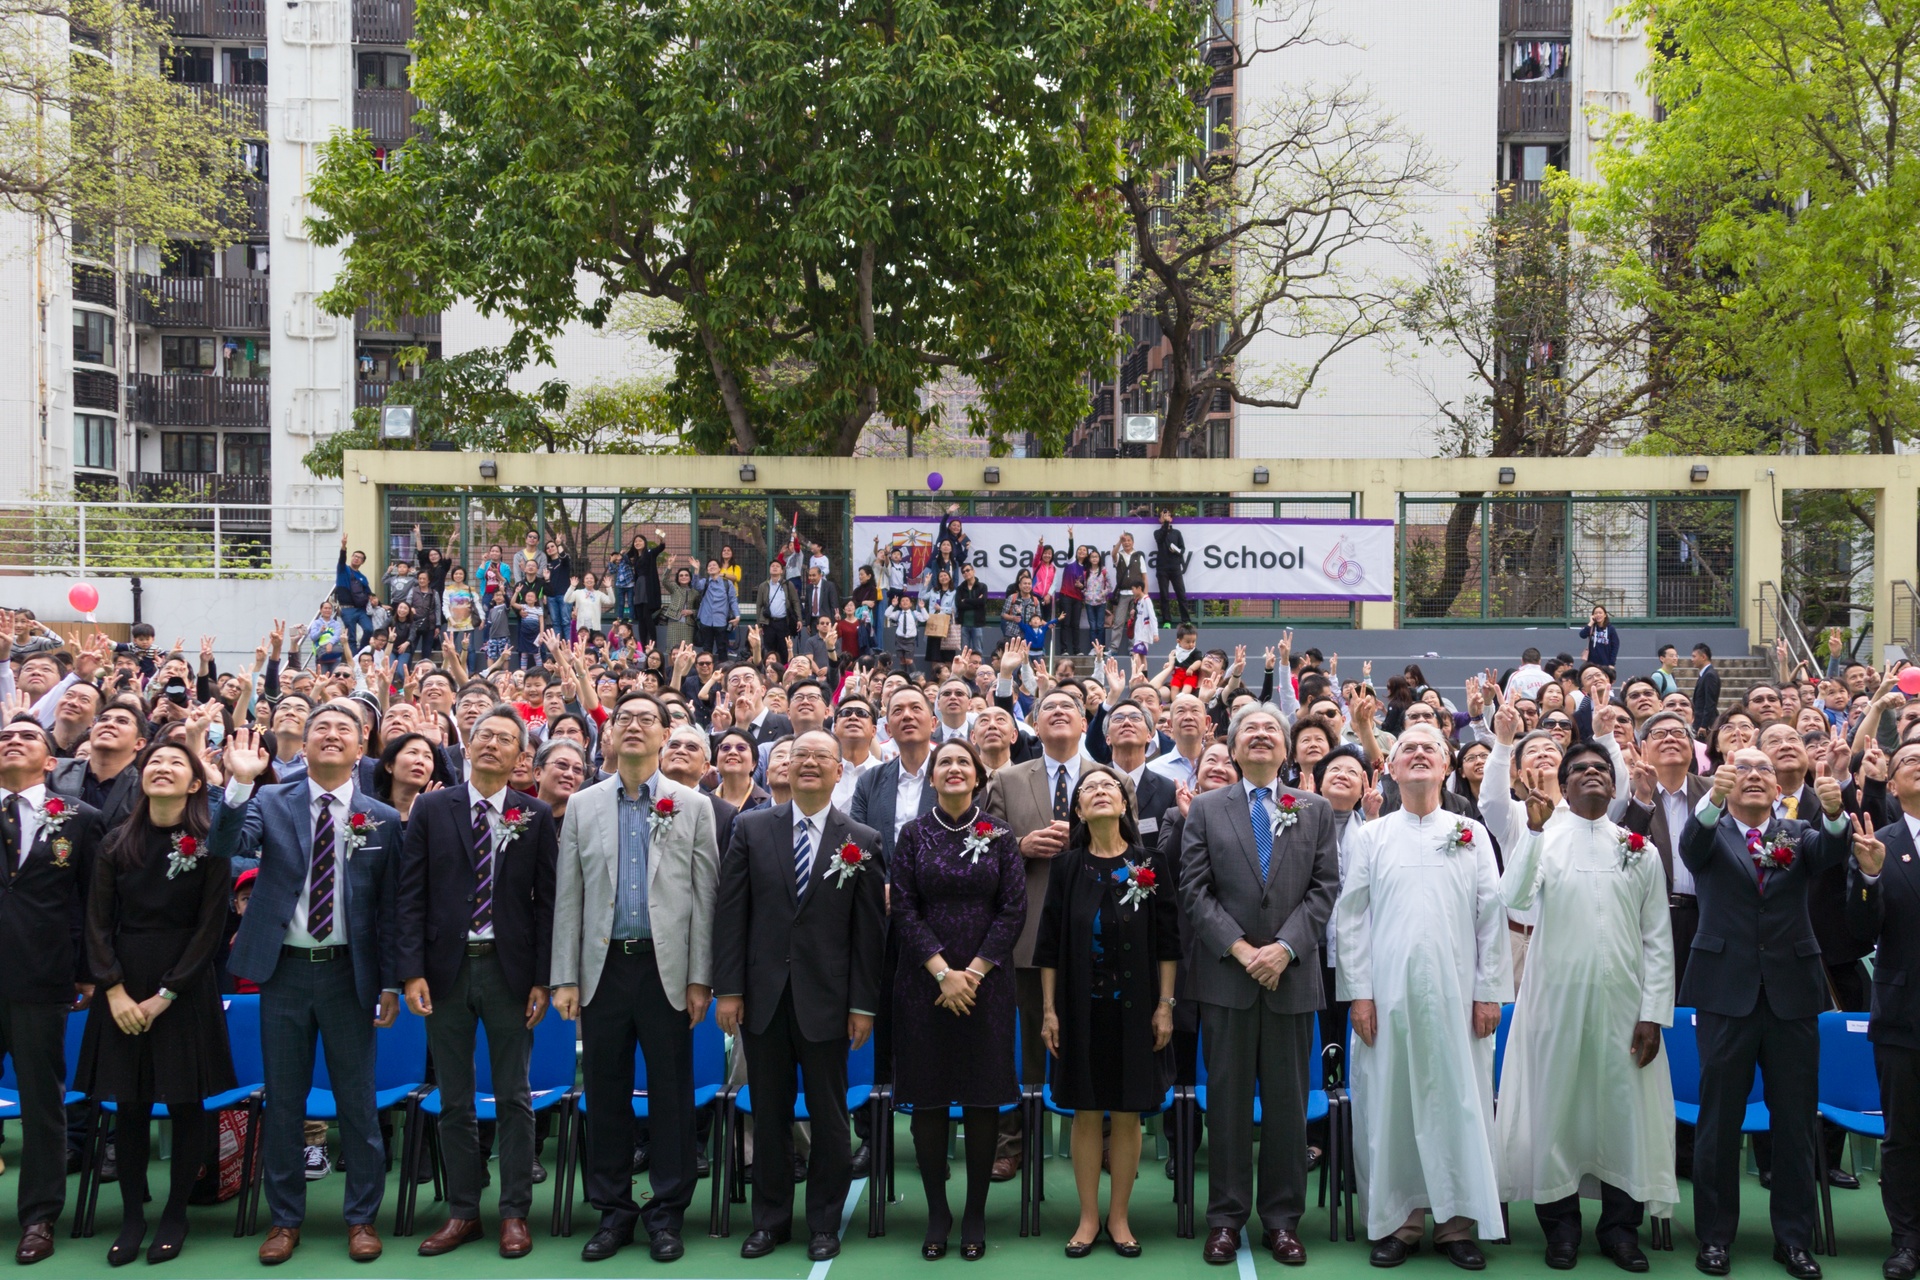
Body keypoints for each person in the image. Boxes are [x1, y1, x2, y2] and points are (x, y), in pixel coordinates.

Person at [211, 712, 403, 1266]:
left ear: (361, 746)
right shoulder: (272, 800)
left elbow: (391, 910)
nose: (332, 734)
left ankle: (361, 1219)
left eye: (345, 729)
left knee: (358, 1104)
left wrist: (390, 983)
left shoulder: (383, 818)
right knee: (284, 1101)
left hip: (349, 974)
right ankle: (285, 1220)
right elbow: (224, 843)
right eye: (322, 727)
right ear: (306, 741)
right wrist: (240, 782)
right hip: (284, 972)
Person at [551, 691, 720, 1264]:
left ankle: (667, 1214)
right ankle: (614, 1212)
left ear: (665, 735)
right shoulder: (583, 804)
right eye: (624, 718)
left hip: (665, 970)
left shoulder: (692, 806)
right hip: (602, 970)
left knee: (672, 1095)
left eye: (648, 719)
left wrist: (700, 978)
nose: (634, 726)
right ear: (609, 733)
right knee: (604, 1093)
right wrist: (565, 976)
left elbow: (705, 897)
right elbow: (569, 897)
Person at [1495, 739, 1676, 1272]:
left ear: (1613, 785)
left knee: (1624, 1114)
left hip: (1625, 1009)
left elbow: (1657, 938)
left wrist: (1653, 1013)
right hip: (1555, 1002)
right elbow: (1515, 900)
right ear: (1564, 786)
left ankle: (1620, 1230)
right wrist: (1532, 832)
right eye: (1580, 769)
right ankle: (1561, 1230)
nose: (1592, 773)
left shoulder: (1638, 848)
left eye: (1601, 768)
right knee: (1557, 1110)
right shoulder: (1544, 838)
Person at [1336, 723, 1511, 1269]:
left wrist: (1489, 993)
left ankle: (1457, 1224)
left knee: (1460, 1104)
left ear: (1446, 765)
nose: (1417, 754)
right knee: (1391, 1106)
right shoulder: (1371, 836)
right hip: (1386, 999)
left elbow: (1490, 917)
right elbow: (1352, 919)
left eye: (1429, 747)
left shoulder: (1470, 833)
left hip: (1459, 999)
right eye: (1406, 748)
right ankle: (1400, 1222)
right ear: (1390, 768)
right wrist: (1359, 994)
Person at [713, 731, 884, 1260]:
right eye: (799, 756)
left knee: (829, 1117)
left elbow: (869, 934)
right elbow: (731, 914)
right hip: (762, 998)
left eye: (820, 757)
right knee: (768, 1113)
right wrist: (729, 990)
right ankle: (770, 1221)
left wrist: (862, 1005)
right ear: (783, 768)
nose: (809, 763)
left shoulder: (862, 839)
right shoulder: (750, 828)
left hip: (829, 1001)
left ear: (839, 771)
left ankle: (824, 1222)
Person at [1179, 702, 1340, 1266]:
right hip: (1228, 979)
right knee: (1225, 1107)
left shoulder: (1314, 808)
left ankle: (1281, 1220)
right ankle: (1225, 1219)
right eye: (1250, 729)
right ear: (1233, 745)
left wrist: (1285, 948)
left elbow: (1324, 888)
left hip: (1291, 981)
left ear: (1286, 747)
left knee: (1288, 1107)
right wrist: (1243, 949)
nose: (1262, 735)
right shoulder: (1206, 808)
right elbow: (1194, 890)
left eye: (1272, 728)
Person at [1678, 748, 1849, 1279]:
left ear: (1779, 788)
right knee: (1718, 1122)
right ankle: (1714, 1238)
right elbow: (1691, 846)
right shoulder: (1709, 830)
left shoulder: (1796, 834)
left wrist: (1835, 813)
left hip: (1792, 996)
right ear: (1725, 781)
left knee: (1796, 1122)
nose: (1754, 776)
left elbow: (1833, 850)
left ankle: (1794, 1240)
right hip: (1724, 993)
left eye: (1764, 771)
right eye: (1744, 769)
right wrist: (1711, 798)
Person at [396, 704, 558, 1260]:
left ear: (520, 757)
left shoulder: (534, 814)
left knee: (514, 1096)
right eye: (483, 735)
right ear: (467, 746)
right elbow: (410, 895)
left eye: (505, 739)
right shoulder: (432, 808)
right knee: (455, 1098)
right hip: (445, 971)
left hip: (510, 972)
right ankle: (463, 1211)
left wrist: (542, 979)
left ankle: (514, 1213)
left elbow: (547, 904)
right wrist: (411, 971)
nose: (491, 744)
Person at [79, 736, 235, 1266]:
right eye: (154, 762)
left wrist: (167, 993)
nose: (162, 768)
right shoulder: (115, 841)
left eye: (175, 763)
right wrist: (115, 990)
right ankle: (131, 1217)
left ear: (195, 784)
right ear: (141, 778)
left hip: (184, 986)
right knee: (129, 1104)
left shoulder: (210, 844)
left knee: (186, 1103)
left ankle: (175, 1214)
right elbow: (97, 922)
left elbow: (210, 928)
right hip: (123, 982)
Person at [890, 739, 1026, 1260]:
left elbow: (1012, 909)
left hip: (985, 985)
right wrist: (943, 972)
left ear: (977, 777)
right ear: (931, 777)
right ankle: (937, 1211)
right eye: (943, 762)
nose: (952, 769)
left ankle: (974, 1212)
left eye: (962, 762)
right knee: (927, 1097)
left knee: (980, 1098)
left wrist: (972, 973)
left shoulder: (1000, 835)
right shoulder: (912, 835)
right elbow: (904, 908)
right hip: (923, 983)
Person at [1035, 764, 1178, 1257]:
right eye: (1089, 788)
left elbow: (1168, 944)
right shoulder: (1066, 867)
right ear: (1077, 809)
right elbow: (1049, 946)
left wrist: (1165, 1006)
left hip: (1137, 1011)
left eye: (1108, 787)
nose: (1099, 792)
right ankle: (1088, 1218)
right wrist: (1049, 1010)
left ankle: (1119, 1217)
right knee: (1086, 1110)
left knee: (1128, 1111)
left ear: (1124, 805)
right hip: (1080, 1010)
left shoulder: (1151, 863)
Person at [0, 718, 105, 1265]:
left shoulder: (81, 819)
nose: (13, 741)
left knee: (42, 1101)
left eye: (27, 738)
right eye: (4, 738)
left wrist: (86, 970)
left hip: (42, 976)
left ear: (50, 762)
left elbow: (92, 901)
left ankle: (39, 1217)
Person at [982, 687, 1085, 1180]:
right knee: (1019, 1045)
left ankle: (1104, 1134)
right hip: (1024, 936)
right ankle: (1011, 1141)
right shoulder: (1006, 779)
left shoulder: (1109, 779)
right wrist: (1020, 845)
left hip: (1093, 933)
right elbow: (983, 850)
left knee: (1094, 1038)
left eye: (1069, 707)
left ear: (1084, 723)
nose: (1059, 713)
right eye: (1049, 709)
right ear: (1034, 727)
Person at [1844, 741, 1920, 1280]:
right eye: (1909, 759)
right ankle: (1908, 1240)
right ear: (1890, 785)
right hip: (1903, 1011)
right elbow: (1859, 930)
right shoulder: (1878, 842)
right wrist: (1870, 879)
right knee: (1905, 1134)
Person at [1622, 709, 1714, 991]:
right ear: (1643, 747)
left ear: (1692, 746)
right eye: (1659, 734)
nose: (1670, 739)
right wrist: (1642, 797)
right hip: (1649, 920)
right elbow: (1624, 851)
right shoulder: (1627, 793)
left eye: (1678, 733)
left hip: (1706, 918)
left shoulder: (1714, 792)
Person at [756, 563, 803, 664]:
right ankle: (769, 669)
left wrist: (799, 619)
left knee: (784, 649)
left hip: (784, 622)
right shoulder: (763, 586)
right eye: (772, 566)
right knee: (769, 650)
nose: (774, 568)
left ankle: (784, 669)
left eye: (777, 566)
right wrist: (759, 625)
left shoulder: (788, 585)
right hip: (769, 623)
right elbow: (759, 605)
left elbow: (795, 602)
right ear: (769, 569)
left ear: (782, 571)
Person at [1152, 511, 1192, 627]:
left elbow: (1182, 549)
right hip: (1162, 568)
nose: (1166, 517)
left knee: (1181, 594)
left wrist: (1176, 551)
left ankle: (1186, 620)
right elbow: (1160, 539)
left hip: (1175, 568)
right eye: (1163, 516)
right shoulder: (1157, 532)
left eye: (1168, 516)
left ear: (1171, 518)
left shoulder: (1177, 533)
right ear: (1160, 520)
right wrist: (1165, 524)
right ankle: (1167, 621)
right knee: (1164, 595)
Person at [337, 534, 374, 653]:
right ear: (351, 557)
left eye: (359, 558)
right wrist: (343, 546)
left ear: (362, 562)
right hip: (347, 608)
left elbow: (369, 593)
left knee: (369, 630)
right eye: (355, 556)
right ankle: (353, 660)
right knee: (351, 637)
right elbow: (342, 559)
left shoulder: (363, 577)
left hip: (361, 609)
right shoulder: (343, 569)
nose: (356, 558)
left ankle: (361, 653)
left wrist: (379, 603)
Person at [1691, 644, 1721, 736]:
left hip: (1705, 726)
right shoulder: (1704, 674)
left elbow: (1710, 702)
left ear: (1703, 657)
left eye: (1694, 656)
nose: (1692, 660)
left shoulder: (1709, 675)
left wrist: (1704, 725)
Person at [1580, 605, 1621, 671]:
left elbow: (1615, 646)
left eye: (1600, 613)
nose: (1598, 615)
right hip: (1591, 663)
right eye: (1596, 613)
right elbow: (1582, 635)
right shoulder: (1592, 627)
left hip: (1605, 663)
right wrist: (1591, 622)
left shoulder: (1610, 629)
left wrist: (1612, 663)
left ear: (1605, 615)